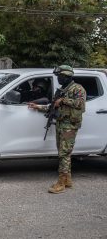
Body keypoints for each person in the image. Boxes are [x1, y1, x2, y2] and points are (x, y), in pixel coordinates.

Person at [28, 65, 86, 194]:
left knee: (64, 154)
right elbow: (53, 106)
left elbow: (81, 104)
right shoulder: (61, 90)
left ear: (66, 76)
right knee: (63, 153)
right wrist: (37, 106)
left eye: (60, 76)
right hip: (61, 124)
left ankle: (61, 183)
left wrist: (64, 100)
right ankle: (68, 180)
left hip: (69, 126)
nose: (58, 79)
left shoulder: (78, 89)